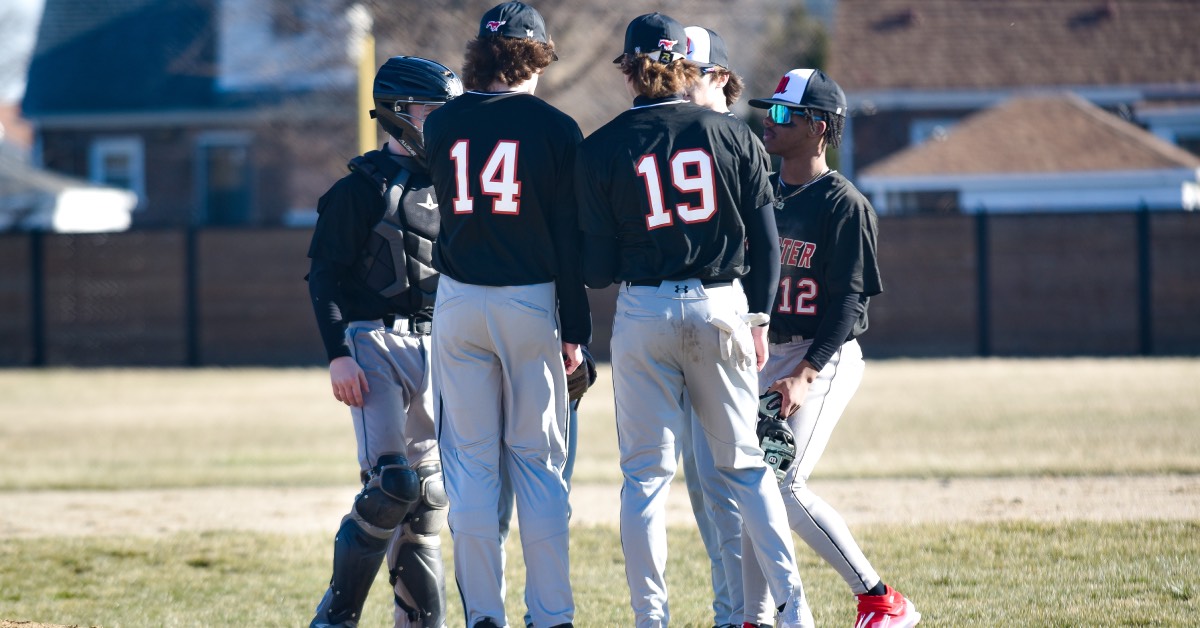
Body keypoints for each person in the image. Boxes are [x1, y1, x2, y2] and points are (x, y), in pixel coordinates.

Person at [575, 13, 812, 628]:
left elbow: (596, 269)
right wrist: (759, 317)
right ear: (684, 65)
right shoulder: (730, 134)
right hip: (721, 303)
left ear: (628, 69)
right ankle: (792, 610)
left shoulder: (600, 146)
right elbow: (767, 242)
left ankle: (651, 620)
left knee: (646, 479)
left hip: (644, 308)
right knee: (745, 467)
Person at [422, 2, 590, 627]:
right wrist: (577, 330)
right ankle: (550, 615)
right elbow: (569, 238)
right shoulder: (555, 128)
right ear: (537, 56)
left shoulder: (440, 124)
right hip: (530, 298)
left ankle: (482, 616)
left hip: (460, 300)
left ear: (481, 55)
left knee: (470, 466)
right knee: (539, 464)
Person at [743, 68, 921, 628]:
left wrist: (807, 373)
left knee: (781, 483)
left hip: (824, 356)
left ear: (818, 127)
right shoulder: (764, 192)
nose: (768, 122)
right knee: (752, 488)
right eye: (768, 111)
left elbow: (848, 305)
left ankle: (879, 598)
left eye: (781, 114)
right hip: (769, 352)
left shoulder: (844, 203)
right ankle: (756, 617)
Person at [305, 55, 462, 628]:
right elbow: (323, 276)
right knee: (390, 484)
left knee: (429, 500)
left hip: (441, 347)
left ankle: (420, 622)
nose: (444, 124)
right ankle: (337, 614)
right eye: (432, 113)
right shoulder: (358, 190)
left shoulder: (458, 182)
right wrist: (338, 355)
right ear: (399, 114)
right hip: (373, 344)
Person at [674, 24, 750, 628]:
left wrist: (760, 320)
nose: (678, 81)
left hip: (734, 320)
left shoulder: (737, 141)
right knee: (701, 482)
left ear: (720, 77)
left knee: (733, 478)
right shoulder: (678, 140)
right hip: (684, 326)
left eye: (690, 71)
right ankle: (735, 609)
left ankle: (755, 612)